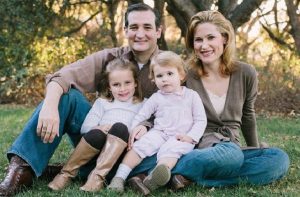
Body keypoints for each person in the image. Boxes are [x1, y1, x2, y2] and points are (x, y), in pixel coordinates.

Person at [0, 3, 162, 196]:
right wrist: (50, 107)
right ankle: (22, 168)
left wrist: (146, 127)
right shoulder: (110, 58)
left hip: (137, 149)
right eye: (134, 27)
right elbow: (63, 76)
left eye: (147, 27)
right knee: (67, 96)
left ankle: (85, 170)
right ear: (125, 30)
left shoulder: (170, 65)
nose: (140, 34)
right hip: (96, 139)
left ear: (159, 31)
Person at [127, 10, 289, 193]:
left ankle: (175, 175)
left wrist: (255, 146)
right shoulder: (184, 74)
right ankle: (173, 171)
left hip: (228, 146)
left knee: (278, 159)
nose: (204, 46)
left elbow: (248, 114)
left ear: (225, 39)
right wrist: (146, 124)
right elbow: (161, 102)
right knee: (232, 157)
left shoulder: (246, 73)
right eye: (198, 40)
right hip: (194, 144)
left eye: (211, 38)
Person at [107, 51, 207, 193]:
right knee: (140, 147)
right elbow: (141, 115)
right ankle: (119, 178)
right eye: (159, 76)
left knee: (171, 152)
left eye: (169, 74)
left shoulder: (191, 96)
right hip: (159, 132)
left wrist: (191, 137)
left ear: (181, 76)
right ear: (154, 79)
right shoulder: (156, 97)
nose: (164, 79)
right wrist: (132, 130)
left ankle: (155, 177)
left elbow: (200, 120)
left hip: (181, 136)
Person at [47, 58, 145, 192]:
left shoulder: (144, 104)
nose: (122, 89)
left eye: (127, 83)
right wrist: (99, 127)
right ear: (109, 87)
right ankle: (65, 174)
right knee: (96, 133)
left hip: (125, 153)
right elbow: (85, 128)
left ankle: (97, 178)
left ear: (135, 83)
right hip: (96, 152)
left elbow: (151, 123)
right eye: (116, 84)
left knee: (120, 128)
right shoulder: (103, 103)